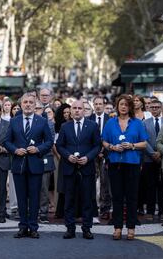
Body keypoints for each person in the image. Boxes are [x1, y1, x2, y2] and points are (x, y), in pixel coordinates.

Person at [4, 93, 53, 239]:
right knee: (21, 197)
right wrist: (15, 150)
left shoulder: (42, 121)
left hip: (35, 164)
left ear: (35, 105)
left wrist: (38, 149)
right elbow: (6, 141)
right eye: (25, 102)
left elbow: (49, 142)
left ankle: (33, 227)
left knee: (34, 197)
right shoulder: (14, 121)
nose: (28, 105)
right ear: (21, 104)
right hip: (19, 165)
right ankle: (22, 227)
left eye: (31, 102)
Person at [102, 94, 148, 240]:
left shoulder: (137, 123)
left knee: (132, 197)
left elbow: (144, 143)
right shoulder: (110, 123)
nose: (123, 107)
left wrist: (132, 145)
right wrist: (112, 147)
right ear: (117, 106)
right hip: (115, 163)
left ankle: (131, 227)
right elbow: (104, 141)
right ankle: (117, 227)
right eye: (121, 104)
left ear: (130, 107)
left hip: (132, 163)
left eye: (126, 105)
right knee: (117, 196)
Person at [56, 100, 101, 239]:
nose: (76, 110)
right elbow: (59, 145)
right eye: (74, 108)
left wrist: (88, 158)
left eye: (79, 108)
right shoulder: (65, 126)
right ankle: (70, 228)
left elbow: (97, 146)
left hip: (87, 168)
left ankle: (87, 228)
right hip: (69, 168)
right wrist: (68, 156)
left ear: (84, 110)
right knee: (69, 199)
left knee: (87, 199)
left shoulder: (93, 126)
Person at [143, 100, 163, 219]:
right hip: (149, 158)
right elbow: (143, 140)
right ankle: (150, 211)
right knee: (149, 185)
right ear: (149, 109)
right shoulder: (144, 123)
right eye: (152, 107)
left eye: (157, 107)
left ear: (161, 108)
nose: (154, 109)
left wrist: (161, 152)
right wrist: (153, 153)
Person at [90, 96, 111, 221]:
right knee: (92, 182)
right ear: (93, 105)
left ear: (104, 105)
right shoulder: (89, 119)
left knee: (105, 182)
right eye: (96, 104)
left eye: (100, 104)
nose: (98, 106)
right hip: (92, 155)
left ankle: (105, 208)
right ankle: (93, 207)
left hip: (106, 155)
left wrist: (104, 151)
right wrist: (95, 151)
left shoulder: (110, 120)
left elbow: (111, 137)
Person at [35, 102, 56, 224]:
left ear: (42, 109)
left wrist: (36, 149)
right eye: (35, 107)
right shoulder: (28, 121)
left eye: (38, 108)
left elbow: (49, 142)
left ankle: (43, 213)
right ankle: (32, 211)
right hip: (30, 157)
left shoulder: (49, 123)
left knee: (44, 187)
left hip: (44, 157)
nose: (36, 109)